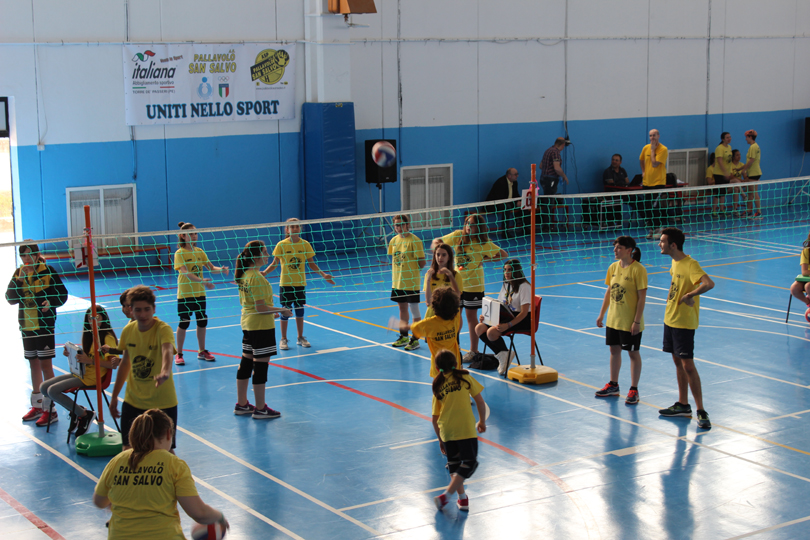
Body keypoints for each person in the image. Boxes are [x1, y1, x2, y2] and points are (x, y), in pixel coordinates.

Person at [93, 409, 230, 540]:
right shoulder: (174, 464)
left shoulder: (117, 461)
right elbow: (199, 513)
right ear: (169, 434)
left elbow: (99, 502)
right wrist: (219, 516)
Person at [657, 228, 715, 429]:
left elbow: (708, 283)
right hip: (670, 319)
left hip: (683, 322)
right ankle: (683, 404)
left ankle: (701, 410)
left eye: (662, 241)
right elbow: (675, 283)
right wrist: (670, 300)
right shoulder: (674, 263)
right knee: (677, 362)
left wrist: (690, 295)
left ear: (673, 245)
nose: (659, 244)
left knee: (688, 365)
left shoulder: (691, 264)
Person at [6, 243, 68, 422]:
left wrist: (51, 301)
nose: (26, 259)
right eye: (23, 256)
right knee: (33, 365)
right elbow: (10, 298)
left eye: (30, 255)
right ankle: (38, 405)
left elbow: (62, 294)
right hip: (27, 326)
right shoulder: (19, 273)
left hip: (43, 327)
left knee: (45, 366)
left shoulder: (48, 272)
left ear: (37, 254)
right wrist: (19, 281)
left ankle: (51, 409)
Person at [110, 285, 178, 450]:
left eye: (147, 309)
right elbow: (125, 364)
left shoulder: (163, 329)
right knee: (128, 450)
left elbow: (167, 350)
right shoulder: (128, 330)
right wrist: (114, 397)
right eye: (138, 310)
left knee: (165, 452)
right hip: (133, 401)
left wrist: (165, 371)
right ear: (131, 310)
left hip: (162, 402)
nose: (143, 314)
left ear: (154, 309)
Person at [433, 213, 507, 362]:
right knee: (454, 316)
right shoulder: (458, 236)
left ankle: (473, 351)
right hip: (456, 283)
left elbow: (503, 254)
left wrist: (484, 259)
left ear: (479, 227)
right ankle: (455, 347)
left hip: (474, 285)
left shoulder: (483, 243)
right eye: (467, 223)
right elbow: (437, 242)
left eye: (472, 224)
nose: (468, 226)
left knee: (470, 317)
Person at [234, 240, 292, 419]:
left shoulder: (245, 274)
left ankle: (242, 404)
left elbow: (254, 306)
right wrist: (282, 310)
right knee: (260, 366)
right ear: (255, 256)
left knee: (246, 362)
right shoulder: (257, 278)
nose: (268, 255)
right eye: (265, 252)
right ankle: (260, 408)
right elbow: (260, 307)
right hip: (260, 328)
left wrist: (270, 312)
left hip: (248, 324)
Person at [40, 306, 121, 432]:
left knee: (52, 391)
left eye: (97, 318)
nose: (92, 321)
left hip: (94, 377)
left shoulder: (107, 337)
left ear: (103, 318)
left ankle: (84, 415)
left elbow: (113, 364)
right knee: (44, 387)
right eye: (89, 318)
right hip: (83, 372)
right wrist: (73, 353)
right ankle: (76, 410)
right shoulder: (91, 335)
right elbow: (90, 355)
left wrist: (90, 361)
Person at [263, 218, 334, 350]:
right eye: (292, 227)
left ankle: (300, 337)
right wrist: (264, 273)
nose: (295, 229)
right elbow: (274, 263)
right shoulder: (281, 245)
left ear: (300, 228)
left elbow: (312, 264)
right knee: (285, 310)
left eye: (297, 226)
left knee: (300, 310)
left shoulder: (305, 244)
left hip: (300, 283)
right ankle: (283, 339)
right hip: (286, 283)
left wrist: (324, 274)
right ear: (287, 229)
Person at [431, 349, 486, 512]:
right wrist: (482, 421)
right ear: (456, 364)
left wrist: (440, 439)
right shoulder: (465, 378)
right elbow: (480, 401)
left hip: (447, 431)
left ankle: (463, 499)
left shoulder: (438, 386)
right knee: (470, 463)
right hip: (465, 429)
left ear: (437, 368)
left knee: (454, 466)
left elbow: (434, 418)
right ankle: (446, 496)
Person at [594, 237, 647, 404]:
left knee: (633, 353)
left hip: (630, 321)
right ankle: (613, 385)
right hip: (614, 319)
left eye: (619, 248)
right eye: (615, 247)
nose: (615, 250)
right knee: (614, 351)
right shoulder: (613, 267)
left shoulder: (638, 270)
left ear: (629, 250)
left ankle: (634, 389)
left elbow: (642, 298)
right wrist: (602, 314)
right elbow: (609, 291)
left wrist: (636, 321)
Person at [173, 222, 229, 366]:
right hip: (185, 294)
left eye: (195, 233)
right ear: (183, 236)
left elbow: (211, 268)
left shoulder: (199, 251)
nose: (194, 236)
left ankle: (202, 350)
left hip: (199, 294)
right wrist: (202, 281)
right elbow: (185, 272)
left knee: (202, 321)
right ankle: (179, 353)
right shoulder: (179, 253)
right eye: (190, 234)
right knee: (184, 322)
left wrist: (221, 269)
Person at [474, 259, 531, 375]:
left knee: (491, 332)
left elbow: (524, 313)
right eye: (505, 270)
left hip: (521, 319)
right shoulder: (506, 284)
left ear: (516, 271)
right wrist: (486, 317)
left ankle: (504, 354)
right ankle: (503, 353)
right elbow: (499, 305)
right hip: (507, 316)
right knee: (479, 328)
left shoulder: (524, 286)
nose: (506, 273)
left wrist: (508, 325)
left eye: (509, 270)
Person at [394, 286, 462, 378]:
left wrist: (396, 323)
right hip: (455, 362)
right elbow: (458, 295)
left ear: (434, 306)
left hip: (438, 365)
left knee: (439, 384)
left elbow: (411, 326)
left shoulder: (429, 323)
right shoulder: (455, 317)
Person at [388, 215, 426, 351]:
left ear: (407, 224)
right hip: (397, 282)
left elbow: (422, 262)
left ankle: (415, 339)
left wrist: (411, 273)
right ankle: (404, 336)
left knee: (414, 310)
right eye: (396, 225)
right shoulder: (393, 241)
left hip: (411, 283)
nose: (398, 227)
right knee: (402, 309)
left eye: (401, 224)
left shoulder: (415, 241)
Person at [639, 129, 669, 239]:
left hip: (658, 183)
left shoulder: (663, 149)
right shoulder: (645, 148)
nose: (652, 137)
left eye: (654, 135)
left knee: (654, 206)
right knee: (647, 207)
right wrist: (643, 171)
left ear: (658, 136)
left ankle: (658, 228)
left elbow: (655, 163)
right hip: (647, 182)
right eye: (650, 135)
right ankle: (652, 228)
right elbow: (641, 159)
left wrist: (652, 150)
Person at [424, 242, 463, 319]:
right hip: (433, 315)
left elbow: (457, 298)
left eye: (444, 255)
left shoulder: (456, 276)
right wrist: (428, 280)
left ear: (449, 257)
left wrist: (451, 276)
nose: (440, 257)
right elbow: (428, 301)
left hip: (449, 315)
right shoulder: (429, 275)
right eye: (438, 254)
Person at [538, 137, 569, 231]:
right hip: (550, 179)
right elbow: (557, 168)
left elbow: (540, 166)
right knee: (549, 203)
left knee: (546, 201)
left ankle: (546, 225)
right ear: (562, 145)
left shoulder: (547, 151)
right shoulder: (555, 152)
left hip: (543, 178)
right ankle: (547, 226)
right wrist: (564, 176)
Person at [484, 168, 520, 238]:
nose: (517, 176)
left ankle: (526, 228)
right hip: (493, 204)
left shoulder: (515, 183)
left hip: (507, 203)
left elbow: (516, 195)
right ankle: (505, 232)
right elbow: (500, 199)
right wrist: (515, 203)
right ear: (509, 176)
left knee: (524, 204)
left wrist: (520, 201)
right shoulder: (501, 183)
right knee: (507, 207)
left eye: (517, 174)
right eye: (515, 174)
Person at [740, 129, 763, 219]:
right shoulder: (754, 146)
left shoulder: (753, 147)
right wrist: (739, 168)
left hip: (754, 173)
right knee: (750, 192)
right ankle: (749, 211)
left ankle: (759, 212)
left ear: (750, 137)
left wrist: (744, 170)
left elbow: (752, 160)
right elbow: (749, 161)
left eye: (746, 137)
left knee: (754, 192)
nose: (745, 139)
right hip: (752, 172)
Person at [712, 132, 734, 217]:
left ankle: (722, 209)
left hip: (726, 174)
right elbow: (720, 162)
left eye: (730, 137)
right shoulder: (719, 148)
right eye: (727, 137)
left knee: (723, 192)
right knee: (718, 192)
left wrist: (730, 172)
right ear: (723, 139)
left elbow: (729, 162)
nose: (729, 139)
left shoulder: (729, 147)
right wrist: (725, 172)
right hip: (719, 174)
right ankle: (714, 210)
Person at [789, 230, 810, 308]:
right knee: (794, 288)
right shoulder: (806, 251)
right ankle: (808, 302)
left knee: (808, 286)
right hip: (808, 277)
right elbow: (804, 272)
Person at [729, 149, 747, 215]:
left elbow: (745, 176)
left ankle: (735, 209)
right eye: (737, 155)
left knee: (736, 188)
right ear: (733, 157)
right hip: (730, 183)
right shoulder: (730, 165)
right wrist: (741, 181)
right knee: (736, 181)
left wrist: (745, 180)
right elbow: (731, 177)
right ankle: (744, 196)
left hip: (738, 185)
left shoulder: (741, 165)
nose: (739, 156)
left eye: (739, 155)